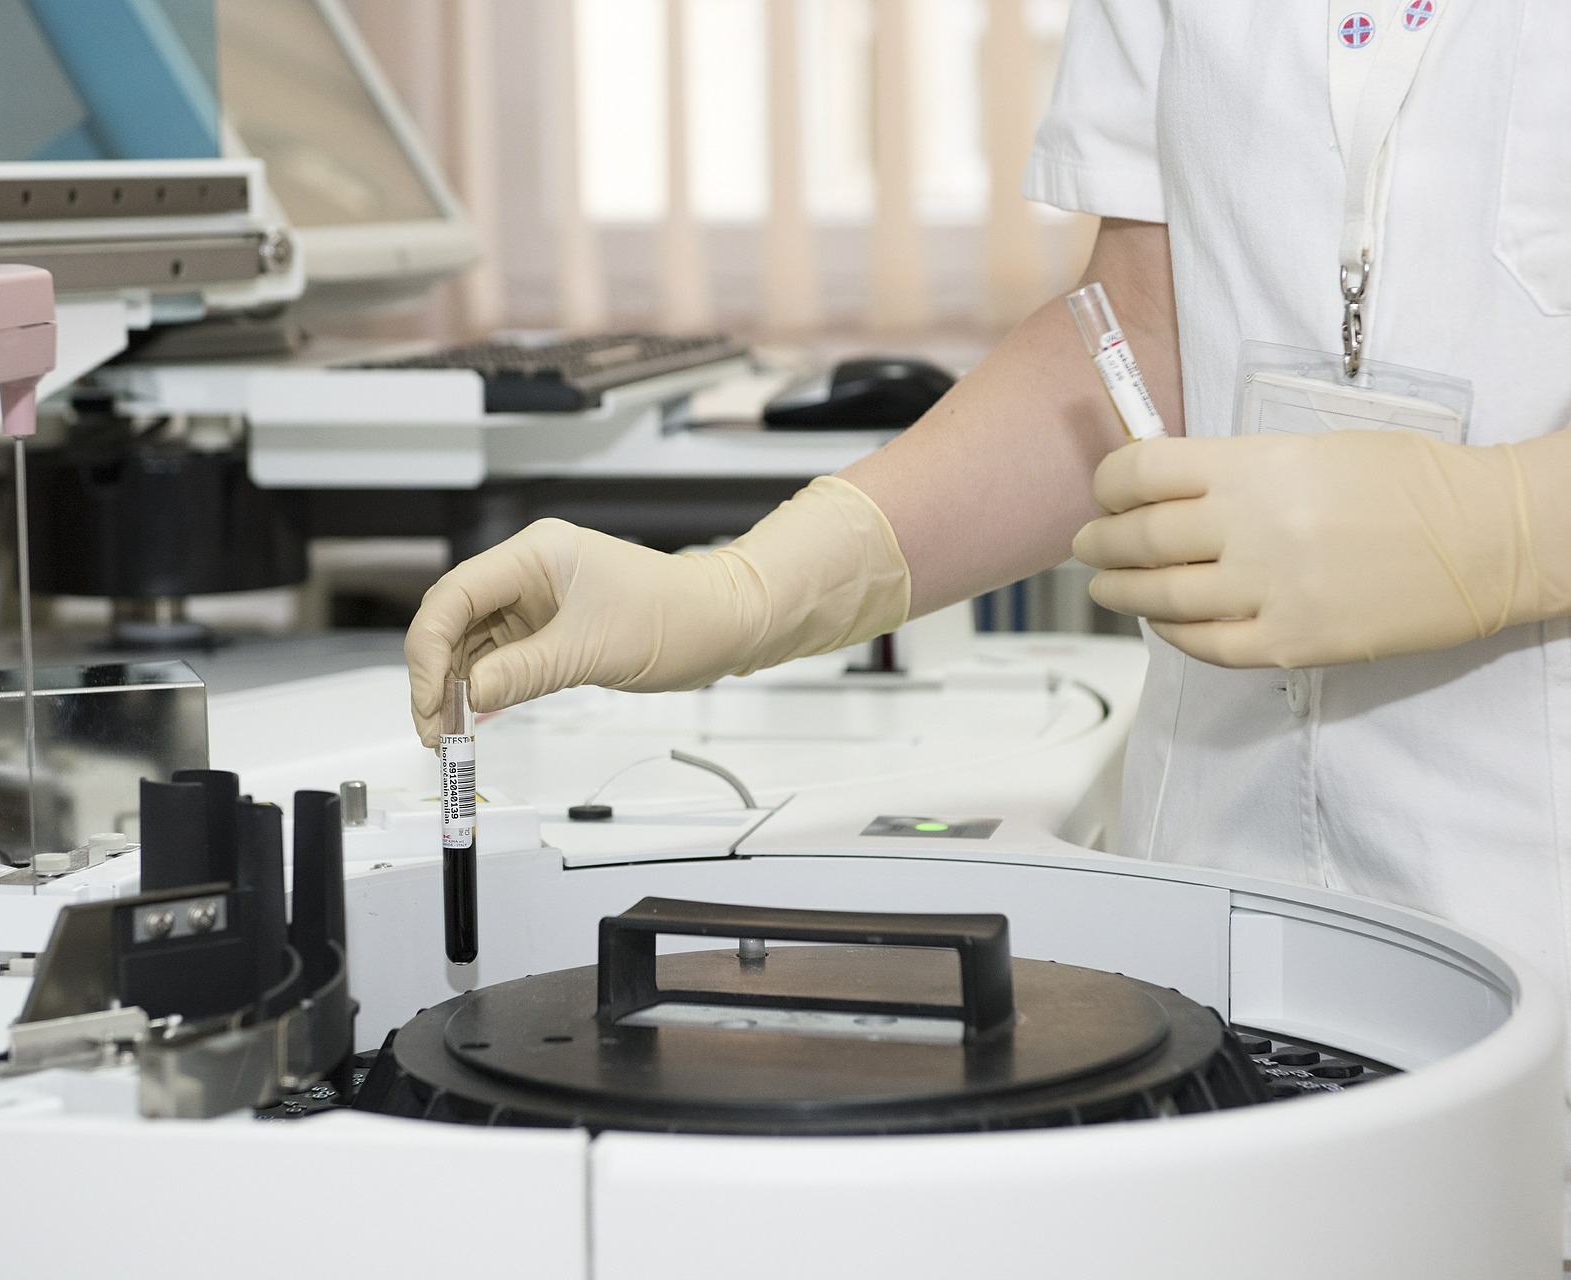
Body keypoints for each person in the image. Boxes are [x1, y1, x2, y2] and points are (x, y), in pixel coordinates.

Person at [407, 0, 1571, 1217]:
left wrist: (1518, 526)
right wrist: (748, 587)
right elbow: (1139, 334)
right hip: (1221, 946)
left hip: (1532, 915)